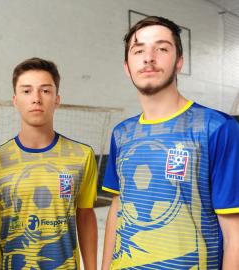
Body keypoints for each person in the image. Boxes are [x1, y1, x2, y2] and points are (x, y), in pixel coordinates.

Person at [101, 16, 239, 270]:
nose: (149, 57)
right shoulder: (122, 133)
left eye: (162, 48)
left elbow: (234, 234)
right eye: (138, 50)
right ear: (126, 66)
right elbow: (117, 206)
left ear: (179, 62)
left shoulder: (216, 128)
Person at [0, 57, 98, 269]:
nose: (36, 98)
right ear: (15, 99)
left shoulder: (82, 156)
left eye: (45, 91)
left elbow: (85, 215)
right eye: (27, 91)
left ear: (57, 99)